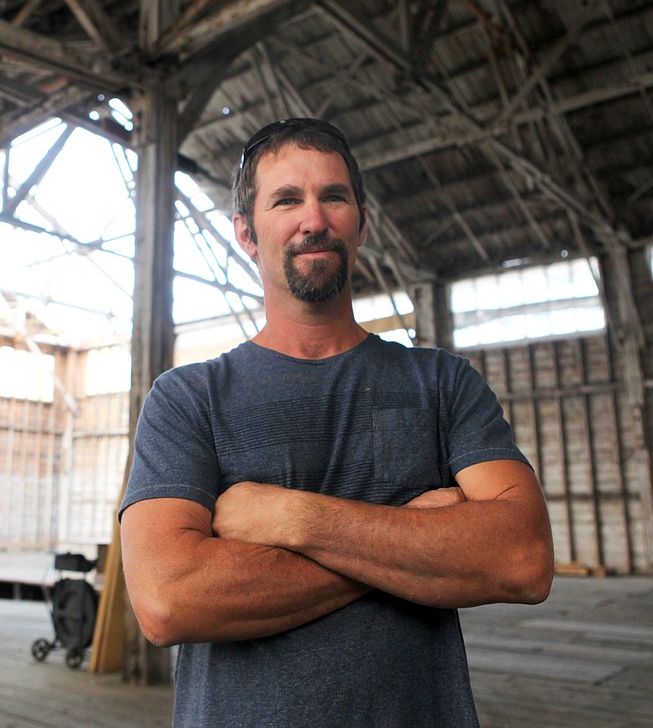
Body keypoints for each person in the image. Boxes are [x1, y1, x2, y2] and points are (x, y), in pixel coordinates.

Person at [119, 117, 554, 726]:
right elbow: (168, 599)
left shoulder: (441, 383)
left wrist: (292, 517)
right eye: (287, 200)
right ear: (246, 232)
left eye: (334, 197)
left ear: (361, 222)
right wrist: (411, 542)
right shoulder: (188, 398)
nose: (314, 219)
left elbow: (523, 558)